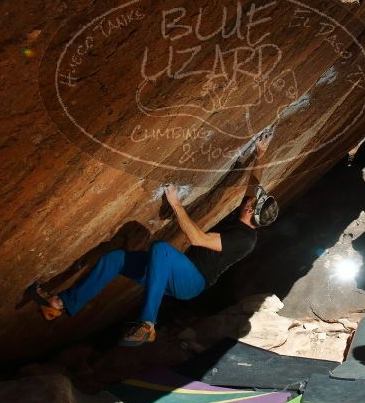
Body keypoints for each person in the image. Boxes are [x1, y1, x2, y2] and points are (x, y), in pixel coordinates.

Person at [27, 132, 279, 346]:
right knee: (115, 259)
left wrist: (175, 203)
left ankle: (148, 323)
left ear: (250, 210)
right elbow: (255, 183)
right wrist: (260, 153)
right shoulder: (250, 212)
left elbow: (196, 238)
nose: (252, 197)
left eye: (252, 201)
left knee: (161, 249)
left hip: (191, 282)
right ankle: (61, 304)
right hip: (172, 273)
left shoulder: (244, 241)